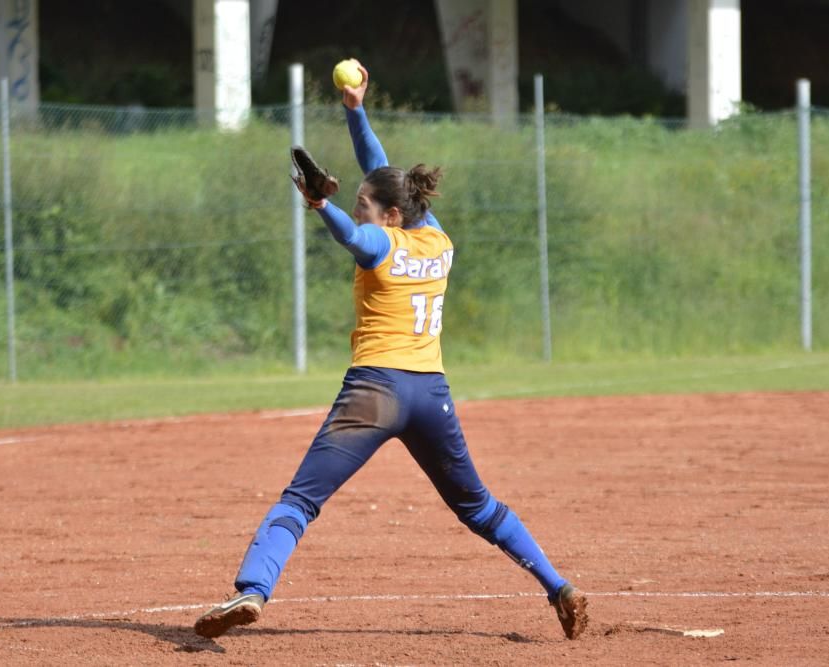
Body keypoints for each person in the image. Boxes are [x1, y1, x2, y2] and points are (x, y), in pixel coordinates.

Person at [194, 61, 588, 641]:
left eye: (362, 201)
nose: (358, 206)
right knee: (477, 506)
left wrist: (320, 206)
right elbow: (380, 171)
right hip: (431, 392)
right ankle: (559, 587)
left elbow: (356, 236)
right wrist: (355, 110)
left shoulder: (378, 239)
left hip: (374, 392)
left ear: (392, 213)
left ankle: (252, 590)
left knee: (301, 501)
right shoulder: (437, 237)